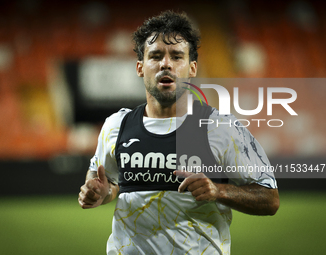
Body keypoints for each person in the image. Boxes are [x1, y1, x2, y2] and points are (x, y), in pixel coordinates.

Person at [78, 10, 279, 255]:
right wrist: (99, 192)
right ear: (140, 67)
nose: (166, 64)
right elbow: (105, 181)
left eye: (176, 56)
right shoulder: (116, 125)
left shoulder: (221, 127)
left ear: (192, 68)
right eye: (155, 56)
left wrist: (218, 190)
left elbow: (269, 198)